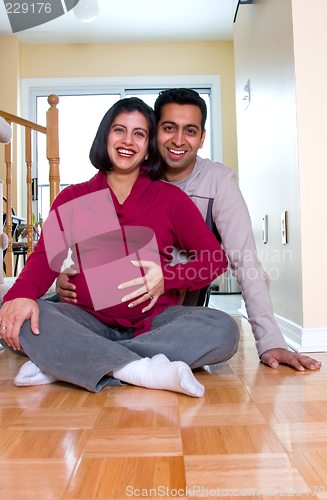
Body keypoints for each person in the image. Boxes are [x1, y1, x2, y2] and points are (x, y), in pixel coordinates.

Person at [57, 89, 321, 372]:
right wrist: (69, 277)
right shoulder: (130, 169)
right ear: (153, 131)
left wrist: (270, 341)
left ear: (202, 137)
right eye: (169, 128)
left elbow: (245, 262)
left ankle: (96, 356)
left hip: (170, 314)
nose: (179, 140)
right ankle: (131, 361)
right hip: (101, 308)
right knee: (24, 318)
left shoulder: (218, 183)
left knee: (223, 331)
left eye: (190, 130)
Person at [0, 97, 240, 396]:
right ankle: (139, 369)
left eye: (139, 133)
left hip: (156, 322)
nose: (128, 141)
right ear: (105, 136)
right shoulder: (74, 197)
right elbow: (44, 259)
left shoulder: (170, 199)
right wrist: (20, 295)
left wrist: (168, 278)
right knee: (17, 312)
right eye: (119, 130)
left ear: (149, 145)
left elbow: (214, 260)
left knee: (224, 329)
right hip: (85, 319)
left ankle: (72, 361)